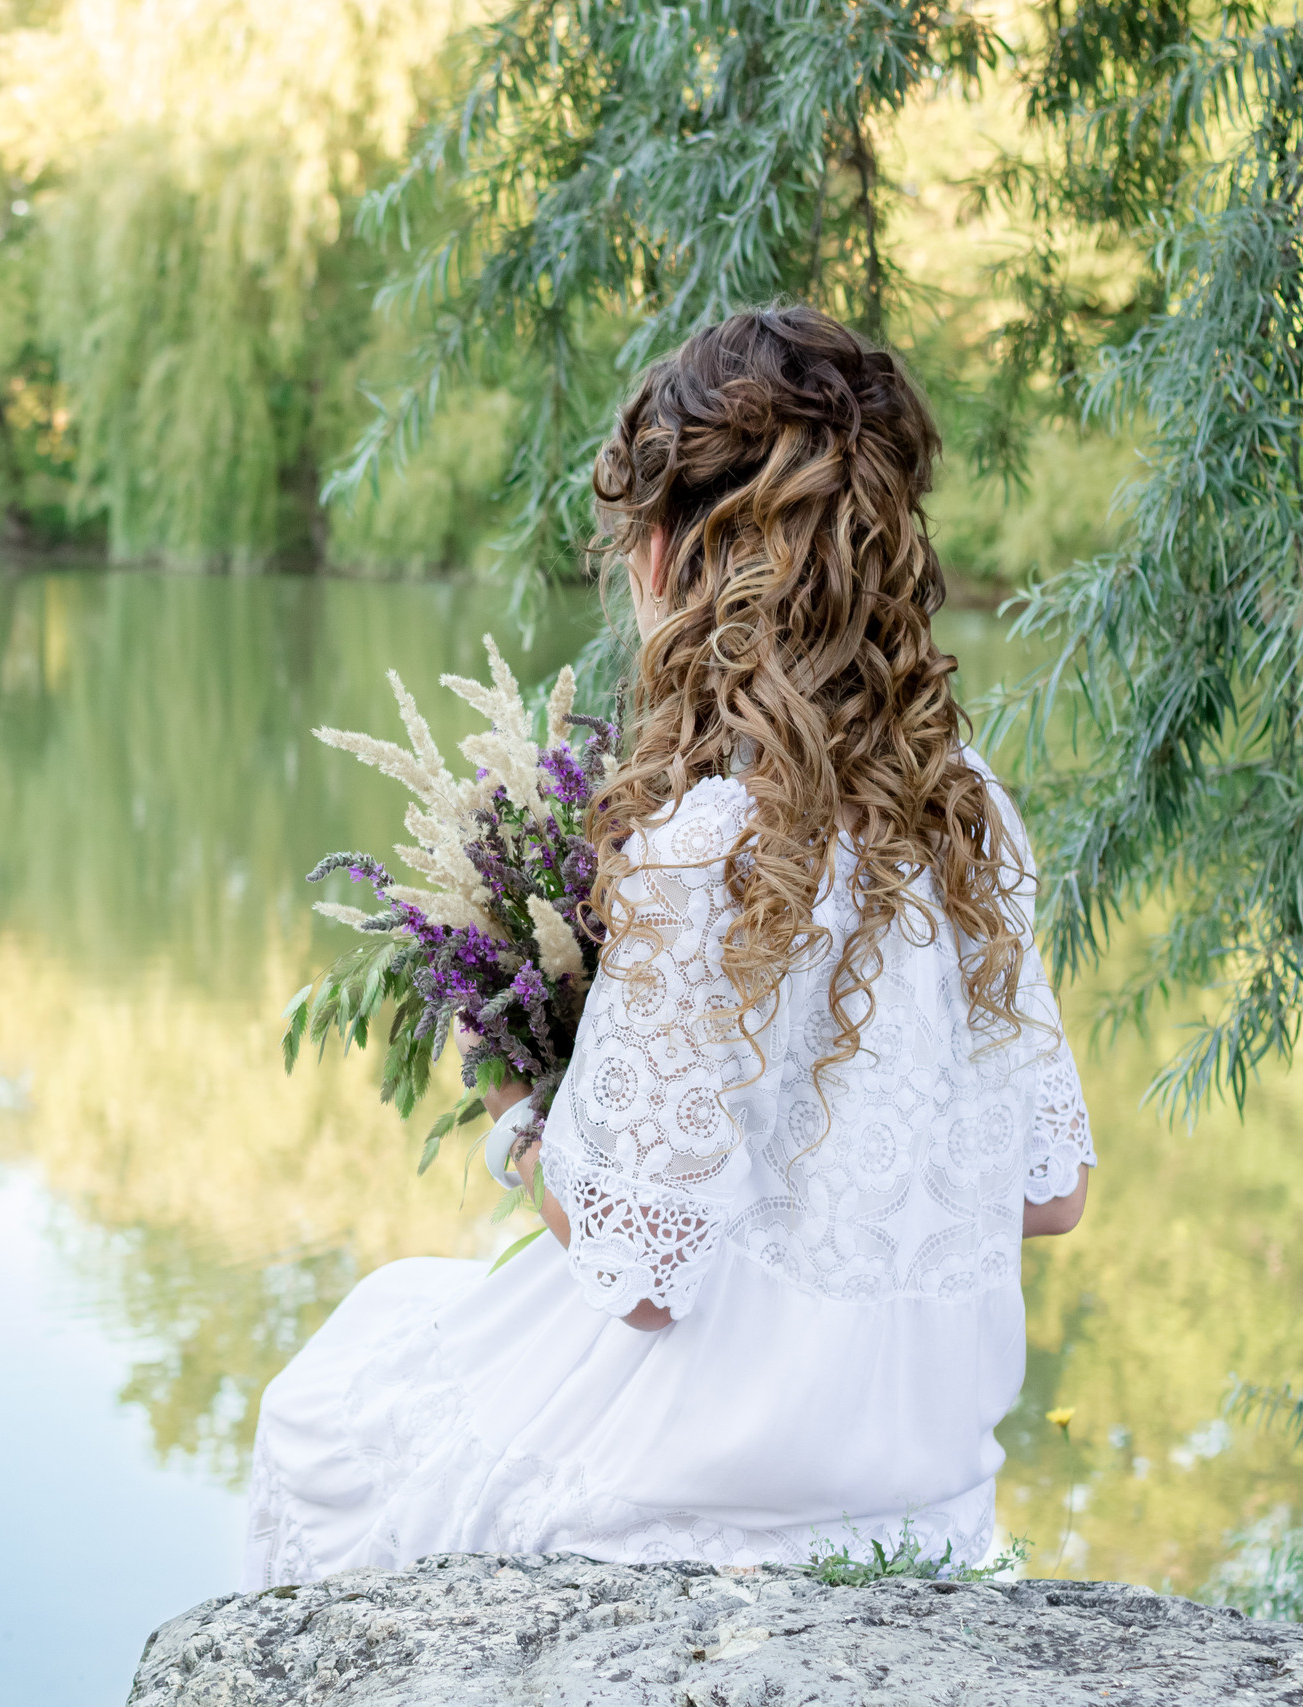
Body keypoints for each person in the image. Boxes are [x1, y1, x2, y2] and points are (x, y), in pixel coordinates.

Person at [243, 304, 1095, 1586]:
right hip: (923, 1491)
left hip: (707, 1481)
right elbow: (1049, 1194)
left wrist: (533, 1126)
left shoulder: (704, 844)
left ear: (661, 555)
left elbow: (640, 1277)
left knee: (329, 1408)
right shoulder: (975, 813)